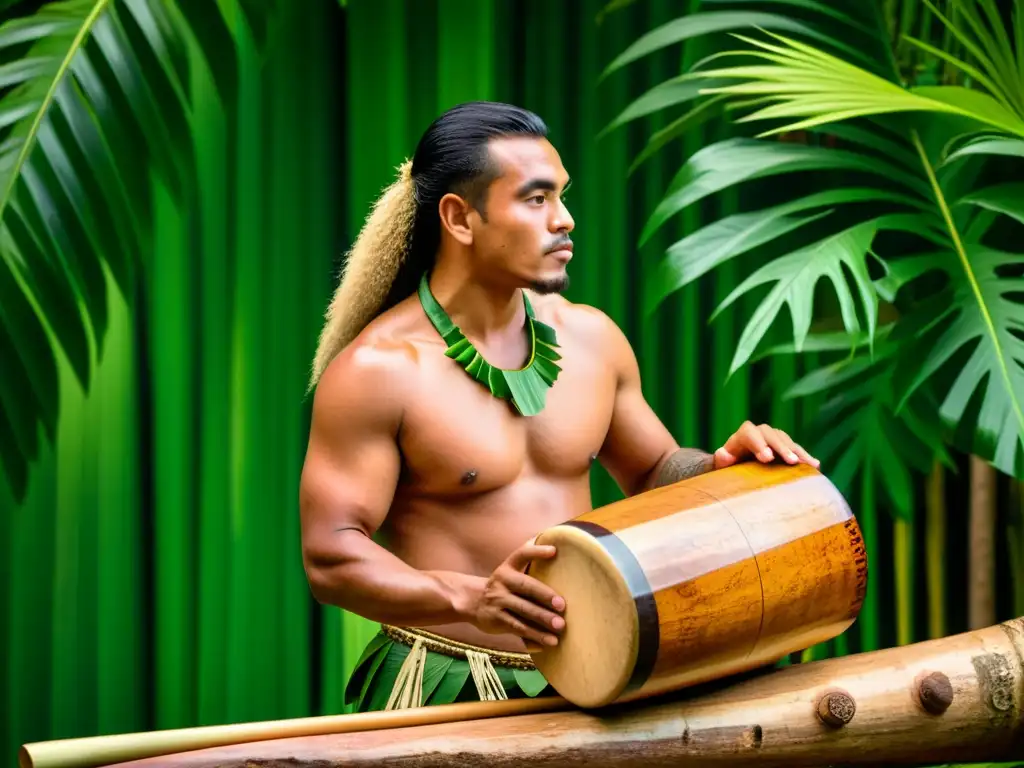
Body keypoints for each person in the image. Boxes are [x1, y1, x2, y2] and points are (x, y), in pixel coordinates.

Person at [299, 101, 819, 713]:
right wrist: (470, 599)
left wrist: (719, 472)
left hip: (594, 679)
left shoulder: (592, 340)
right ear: (460, 218)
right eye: (537, 200)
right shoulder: (378, 371)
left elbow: (653, 469)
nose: (566, 220)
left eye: (562, 197)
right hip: (446, 687)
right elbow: (332, 556)